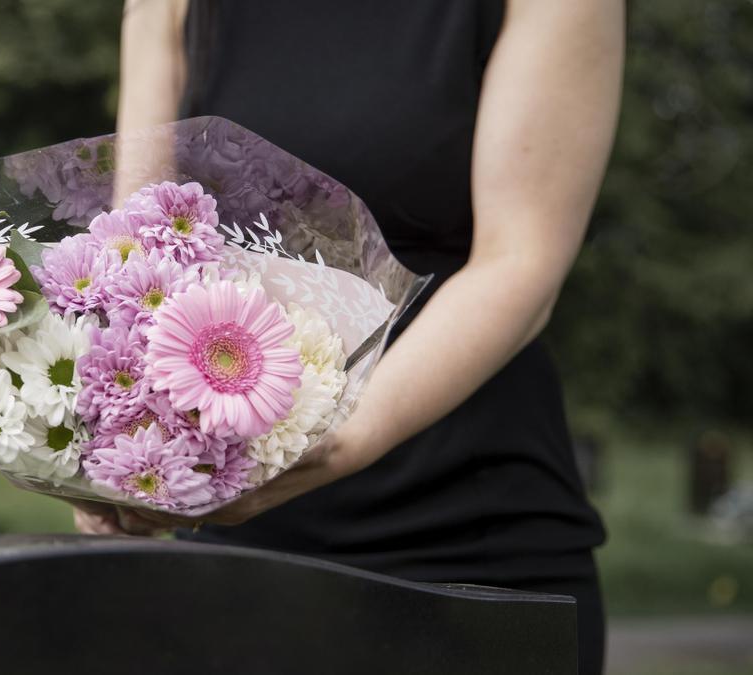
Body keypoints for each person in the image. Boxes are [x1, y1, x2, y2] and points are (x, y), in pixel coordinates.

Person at [73, 2, 623, 673]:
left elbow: (520, 264)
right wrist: (118, 444)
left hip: (462, 559)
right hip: (234, 563)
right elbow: (149, 252)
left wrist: (335, 435)